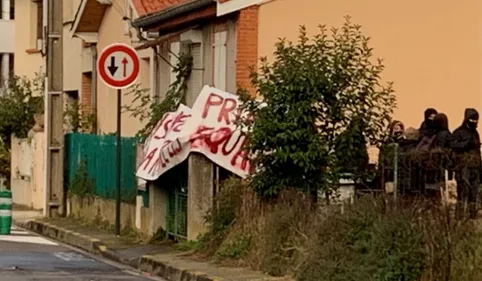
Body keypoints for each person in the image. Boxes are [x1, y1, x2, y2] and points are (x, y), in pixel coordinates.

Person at [453, 108, 481, 219]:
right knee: (462, 192)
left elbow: (478, 152)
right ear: (466, 119)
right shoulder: (458, 132)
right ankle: (459, 217)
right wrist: (466, 144)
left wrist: (480, 168)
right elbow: (454, 147)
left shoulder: (475, 133)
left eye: (476, 120)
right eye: (472, 119)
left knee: (473, 193)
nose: (474, 122)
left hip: (475, 167)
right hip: (463, 167)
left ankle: (472, 217)